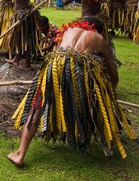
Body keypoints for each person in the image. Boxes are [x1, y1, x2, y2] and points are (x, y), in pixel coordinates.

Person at [8, 19, 135, 166]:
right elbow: (114, 76)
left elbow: (60, 50)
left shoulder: (67, 31)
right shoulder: (99, 39)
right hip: (77, 70)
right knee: (95, 100)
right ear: (98, 31)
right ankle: (102, 139)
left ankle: (20, 154)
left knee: (37, 108)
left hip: (54, 65)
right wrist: (108, 96)